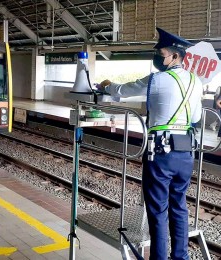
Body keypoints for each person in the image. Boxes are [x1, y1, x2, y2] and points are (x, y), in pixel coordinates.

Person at [97, 27, 202, 260]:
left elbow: (123, 90)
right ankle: (180, 257)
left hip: (161, 154)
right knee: (179, 207)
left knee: (158, 211)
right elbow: (195, 119)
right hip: (185, 154)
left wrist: (106, 86)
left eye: (161, 53)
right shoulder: (196, 81)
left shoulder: (157, 79)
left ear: (175, 56)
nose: (157, 58)